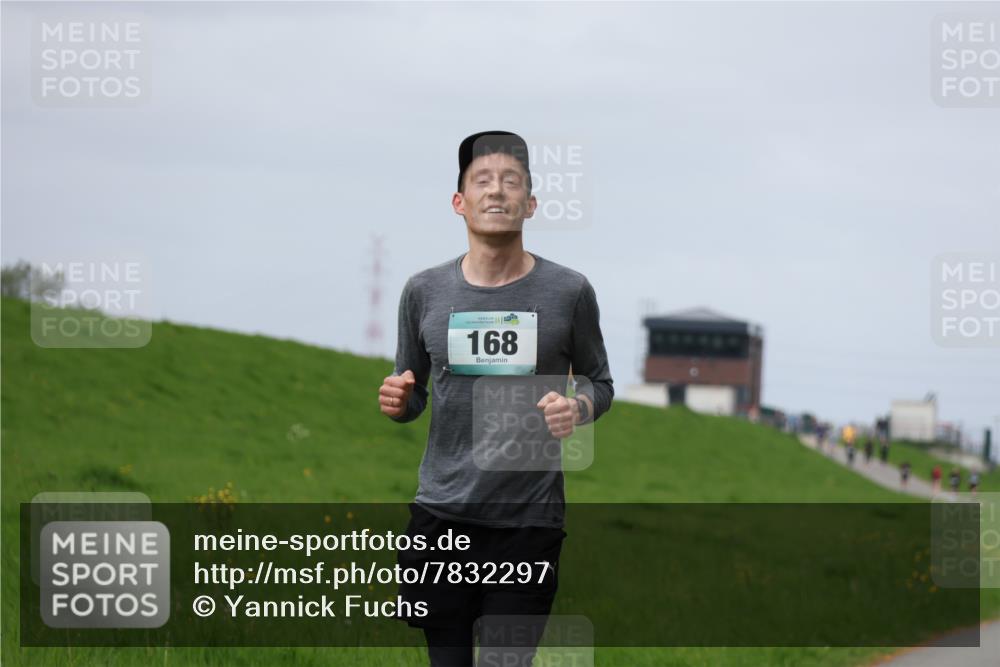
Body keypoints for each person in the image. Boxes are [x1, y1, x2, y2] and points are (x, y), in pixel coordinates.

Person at [379, 131, 615, 667]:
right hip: (442, 514)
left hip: (528, 521)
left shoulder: (569, 292)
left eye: (512, 182)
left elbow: (600, 383)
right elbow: (412, 391)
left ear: (530, 204)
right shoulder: (424, 292)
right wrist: (399, 402)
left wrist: (576, 407)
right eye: (482, 181)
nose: (497, 192)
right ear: (459, 202)